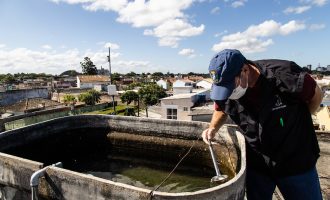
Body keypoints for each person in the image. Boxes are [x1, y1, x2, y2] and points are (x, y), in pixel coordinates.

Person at [202, 49, 323, 200]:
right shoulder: (224, 89)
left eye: (231, 88)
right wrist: (213, 127)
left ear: (245, 70)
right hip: (257, 165)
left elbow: (316, 95)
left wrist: (301, 120)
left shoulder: (286, 75)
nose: (229, 94)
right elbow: (221, 108)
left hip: (296, 162)